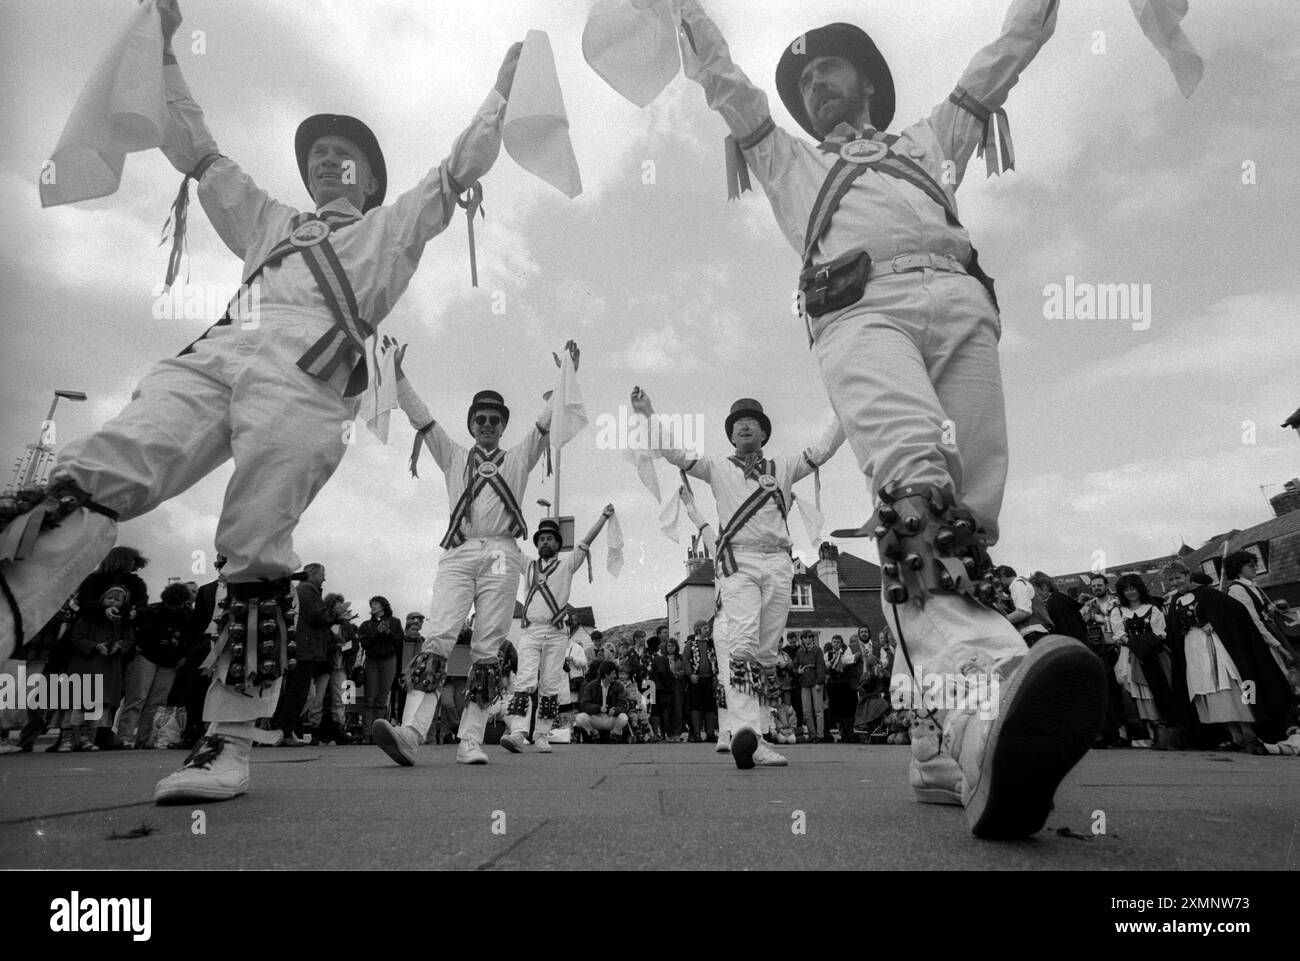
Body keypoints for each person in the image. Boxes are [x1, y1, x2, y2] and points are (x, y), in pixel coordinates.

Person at [0, 1, 532, 803]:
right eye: (318, 152)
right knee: (86, 475)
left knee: (254, 539)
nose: (325, 161)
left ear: (370, 178)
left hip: (307, 374)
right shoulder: (270, 221)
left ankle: (229, 742)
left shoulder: (389, 230)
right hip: (219, 351)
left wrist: (496, 99)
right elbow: (200, 151)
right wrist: (164, 50)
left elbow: (456, 171)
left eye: (342, 155)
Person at [671, 0, 1105, 835]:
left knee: (966, 519)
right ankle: (983, 707)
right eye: (801, 79)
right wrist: (685, 12)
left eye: (828, 67)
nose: (813, 83)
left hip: (963, 305)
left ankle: (932, 745)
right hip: (860, 312)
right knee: (916, 492)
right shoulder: (788, 162)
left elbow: (1000, 60)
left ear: (866, 80)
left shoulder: (929, 141)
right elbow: (726, 87)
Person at [371, 342, 578, 766]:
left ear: (502, 426)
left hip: (503, 553)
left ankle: (471, 740)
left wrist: (565, 377)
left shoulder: (518, 457)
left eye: (494, 420)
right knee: (438, 635)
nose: (487, 424)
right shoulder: (454, 455)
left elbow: (544, 424)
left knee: (488, 647)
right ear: (471, 426)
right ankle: (411, 732)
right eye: (480, 419)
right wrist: (397, 376)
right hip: (459, 551)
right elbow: (421, 417)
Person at [633, 388, 843, 769]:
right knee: (743, 643)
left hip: (780, 564)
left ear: (764, 434)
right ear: (731, 435)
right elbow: (677, 455)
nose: (745, 427)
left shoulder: (785, 465)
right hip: (739, 563)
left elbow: (822, 451)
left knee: (765, 652)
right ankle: (746, 732)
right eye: (738, 424)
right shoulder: (717, 466)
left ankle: (756, 736)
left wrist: (845, 410)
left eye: (753, 423)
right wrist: (649, 414)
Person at [499, 507, 614, 755]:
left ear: (557, 544)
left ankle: (541, 734)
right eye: (541, 539)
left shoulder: (566, 565)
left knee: (550, 684)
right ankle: (519, 733)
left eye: (550, 538)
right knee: (525, 680)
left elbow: (585, 542)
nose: (545, 542)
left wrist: (603, 517)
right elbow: (509, 542)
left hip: (556, 632)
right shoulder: (528, 565)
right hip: (530, 631)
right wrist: (503, 511)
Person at [116, 582, 192, 748]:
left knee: (148, 702)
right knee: (141, 700)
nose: (173, 607)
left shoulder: (155, 610)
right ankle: (130, 738)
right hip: (155, 658)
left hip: (159, 659)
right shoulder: (162, 612)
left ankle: (135, 738)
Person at [1107, 574, 1170, 745]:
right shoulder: (1118, 611)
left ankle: (1164, 731)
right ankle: (1151, 733)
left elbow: (1160, 631)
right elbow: (1118, 633)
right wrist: (1134, 644)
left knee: (1157, 688)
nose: (1130, 592)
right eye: (1126, 589)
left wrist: (1146, 645)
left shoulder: (1152, 608)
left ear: (1139, 588)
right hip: (1130, 654)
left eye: (1133, 588)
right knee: (1138, 692)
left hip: (1153, 653)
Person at [1224, 551, 1297, 679]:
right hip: (1260, 640)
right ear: (1238, 568)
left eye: (1255, 564)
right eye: (1251, 565)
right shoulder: (1237, 590)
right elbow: (1254, 621)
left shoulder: (1253, 585)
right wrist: (1278, 646)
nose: (1256, 568)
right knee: (1281, 674)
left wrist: (1273, 608)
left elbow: (1262, 612)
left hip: (1272, 632)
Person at [357, 596, 402, 736]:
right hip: (372, 661)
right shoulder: (366, 625)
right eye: (372, 604)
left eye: (376, 604)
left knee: (382, 698)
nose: (373, 606)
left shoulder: (395, 622)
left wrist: (388, 633)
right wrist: (378, 633)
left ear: (383, 606)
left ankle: (378, 734)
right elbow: (365, 643)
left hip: (389, 660)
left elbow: (400, 643)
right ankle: (367, 733)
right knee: (369, 697)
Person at [574, 660, 629, 743]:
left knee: (623, 718)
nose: (615, 676)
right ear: (606, 674)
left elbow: (624, 704)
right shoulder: (591, 686)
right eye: (613, 673)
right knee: (579, 718)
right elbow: (584, 705)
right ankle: (593, 733)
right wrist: (599, 708)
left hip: (611, 718)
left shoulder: (618, 686)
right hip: (596, 718)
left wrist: (615, 710)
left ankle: (613, 734)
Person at [995, 565, 1049, 646]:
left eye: (998, 583)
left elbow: (1023, 612)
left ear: (1002, 577)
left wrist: (1000, 622)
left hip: (1032, 634)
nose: (1000, 589)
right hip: (1035, 634)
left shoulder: (1017, 585)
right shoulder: (1022, 583)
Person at [795, 630, 827, 740]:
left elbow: (821, 667)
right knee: (806, 711)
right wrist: (797, 671)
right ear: (802, 639)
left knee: (818, 710)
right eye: (805, 637)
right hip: (804, 684)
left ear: (813, 638)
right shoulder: (799, 652)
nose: (808, 639)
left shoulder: (818, 650)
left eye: (810, 637)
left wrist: (819, 682)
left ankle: (820, 735)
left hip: (815, 684)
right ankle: (812, 735)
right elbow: (794, 666)